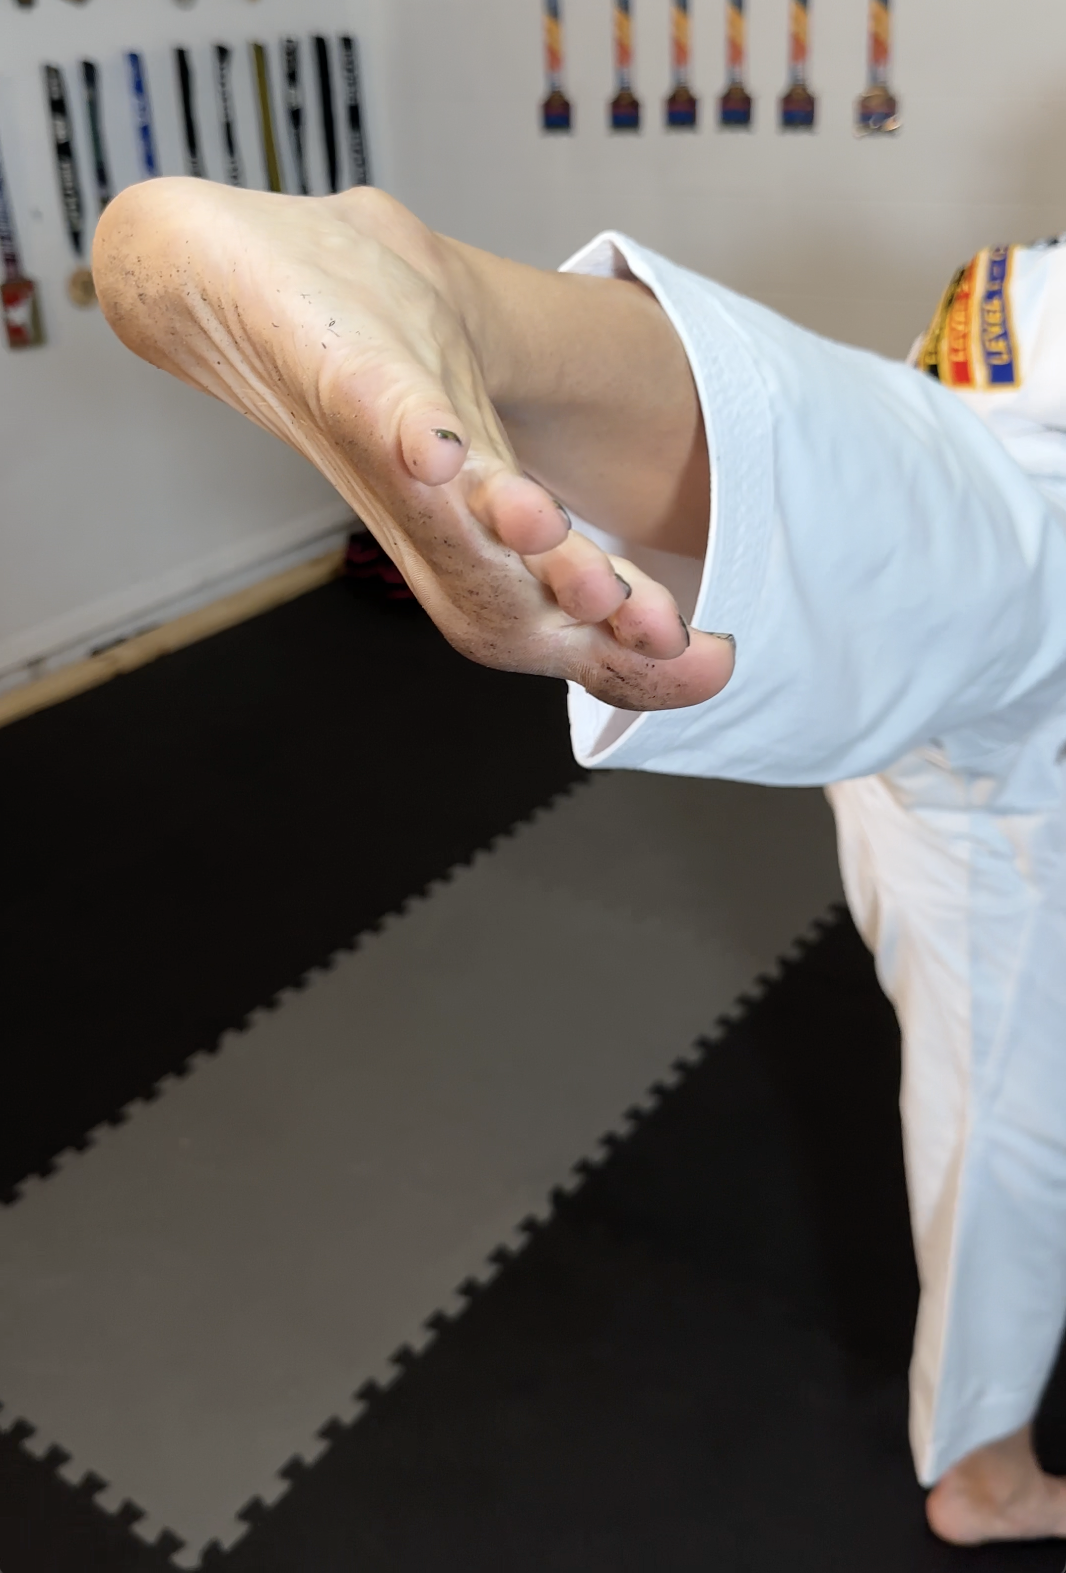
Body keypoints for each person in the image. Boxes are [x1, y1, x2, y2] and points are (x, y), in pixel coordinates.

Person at [93, 178, 1066, 1547]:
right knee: (989, 551)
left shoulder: (1020, 285)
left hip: (939, 707)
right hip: (996, 739)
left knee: (947, 511)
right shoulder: (1032, 306)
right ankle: (453, 304)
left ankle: (460, 303)